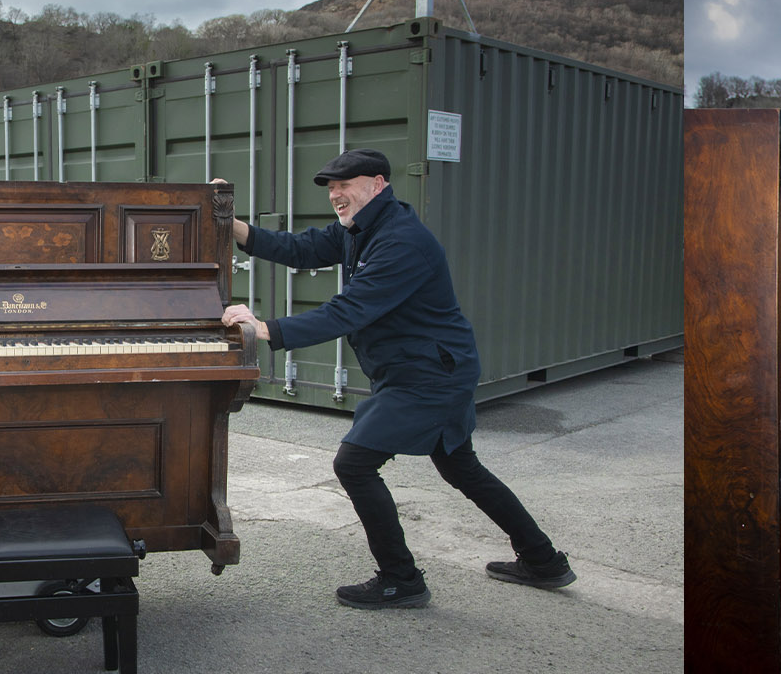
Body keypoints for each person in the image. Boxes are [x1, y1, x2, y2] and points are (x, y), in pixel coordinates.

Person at [219, 149, 574, 609]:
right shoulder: (360, 228)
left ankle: (400, 579)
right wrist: (230, 225)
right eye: (330, 187)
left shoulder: (402, 241)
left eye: (345, 184)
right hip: (422, 369)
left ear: (378, 184)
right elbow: (299, 248)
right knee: (461, 466)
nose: (335, 194)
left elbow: (352, 309)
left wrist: (265, 329)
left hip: (430, 376)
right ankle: (544, 561)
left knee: (354, 463)